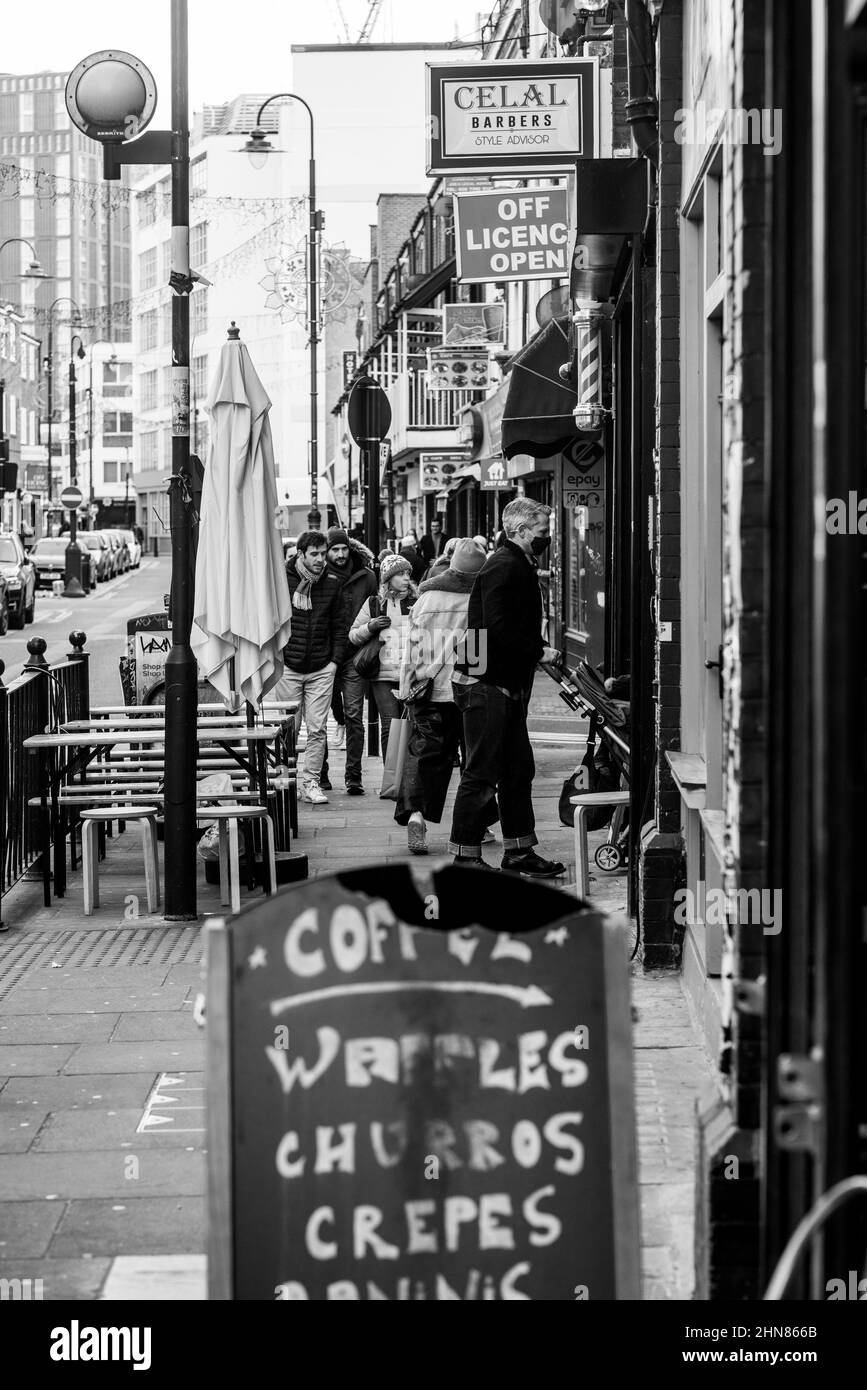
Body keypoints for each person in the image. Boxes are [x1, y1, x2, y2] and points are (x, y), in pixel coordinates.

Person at [448, 498, 566, 877]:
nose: (546, 538)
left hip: (500, 681)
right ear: (519, 531)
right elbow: (497, 625)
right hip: (486, 684)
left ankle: (519, 851)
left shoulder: (514, 563)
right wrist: (539, 651)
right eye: (542, 532)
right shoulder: (504, 564)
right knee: (481, 771)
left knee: (518, 769)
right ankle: (466, 856)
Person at [395, 539, 497, 855]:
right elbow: (481, 649)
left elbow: (410, 647)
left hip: (428, 688)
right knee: (474, 759)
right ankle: (476, 826)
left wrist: (406, 684)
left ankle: (416, 815)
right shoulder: (480, 600)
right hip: (468, 689)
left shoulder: (426, 598)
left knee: (426, 755)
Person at [273, 530, 348, 806]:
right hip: (289, 666)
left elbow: (340, 625)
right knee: (287, 728)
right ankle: (285, 781)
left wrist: (333, 662)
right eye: (313, 554)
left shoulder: (331, 582)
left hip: (321, 668)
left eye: (322, 553)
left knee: (317, 729)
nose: (320, 559)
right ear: (301, 554)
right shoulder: (282, 579)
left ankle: (311, 782)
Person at [323, 527, 377, 796]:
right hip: (325, 658)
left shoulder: (366, 577)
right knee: (319, 718)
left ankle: (353, 777)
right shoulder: (319, 576)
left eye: (344, 549)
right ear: (327, 551)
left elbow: (377, 611)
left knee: (354, 715)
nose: (340, 554)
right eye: (335, 549)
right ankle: (320, 775)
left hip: (355, 656)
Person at [349, 553, 416, 759]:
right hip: (383, 677)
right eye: (400, 574)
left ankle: (408, 779)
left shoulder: (417, 601)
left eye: (408, 574)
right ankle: (391, 781)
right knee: (390, 725)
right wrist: (370, 626)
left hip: (411, 675)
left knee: (411, 726)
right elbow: (353, 635)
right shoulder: (374, 603)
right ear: (388, 579)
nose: (406, 578)